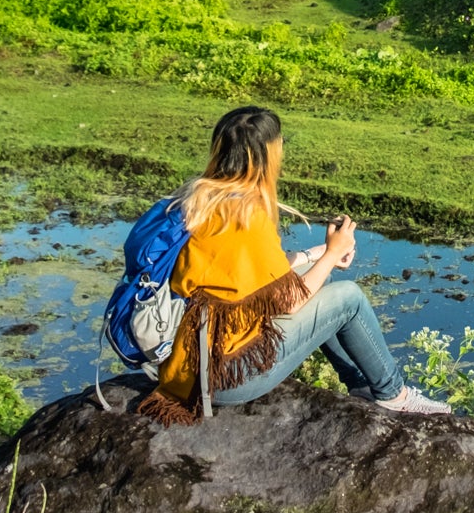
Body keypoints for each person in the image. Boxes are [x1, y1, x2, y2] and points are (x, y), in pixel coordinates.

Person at [136, 105, 451, 422]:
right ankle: (394, 394)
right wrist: (332, 253)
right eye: (280, 142)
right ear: (268, 154)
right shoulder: (248, 214)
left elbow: (251, 276)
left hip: (186, 364)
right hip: (226, 376)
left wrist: (317, 254)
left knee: (316, 278)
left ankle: (360, 385)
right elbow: (290, 301)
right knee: (350, 298)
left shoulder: (196, 199)